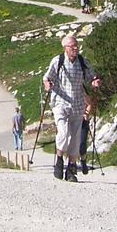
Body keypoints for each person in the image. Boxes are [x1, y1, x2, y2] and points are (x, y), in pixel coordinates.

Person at [43, 34, 101, 182]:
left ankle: (71, 169)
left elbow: (92, 76)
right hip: (60, 103)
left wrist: (95, 82)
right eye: (72, 46)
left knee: (75, 139)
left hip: (77, 104)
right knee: (63, 133)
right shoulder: (58, 61)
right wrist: (47, 84)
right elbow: (47, 77)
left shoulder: (82, 61)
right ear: (65, 48)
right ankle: (59, 159)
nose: (75, 48)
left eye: (76, 46)